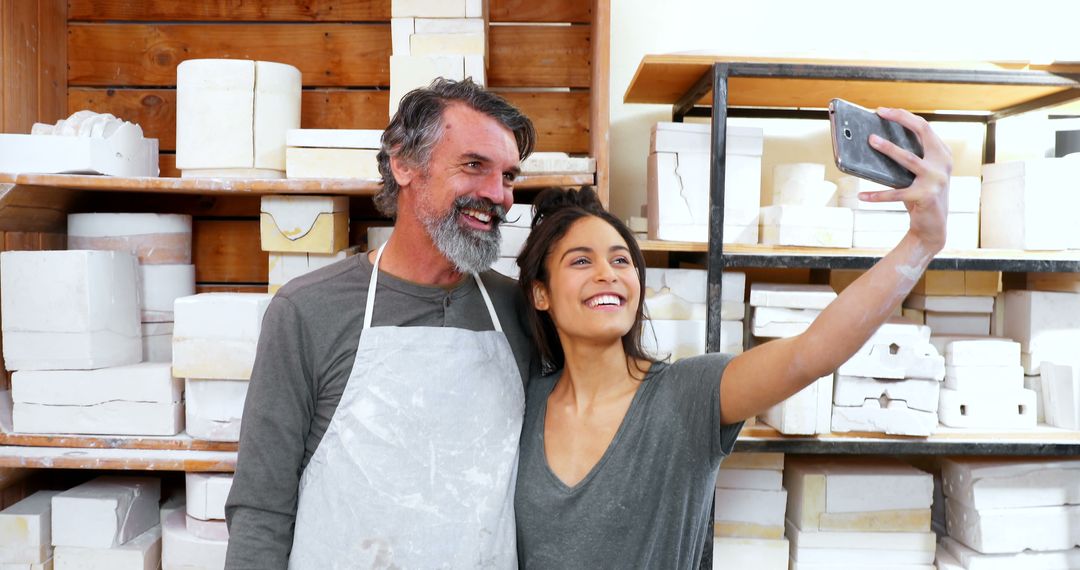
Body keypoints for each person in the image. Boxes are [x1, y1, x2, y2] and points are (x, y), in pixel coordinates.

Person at [513, 107, 950, 568]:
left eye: (622, 261)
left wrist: (921, 242)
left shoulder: (686, 395)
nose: (608, 274)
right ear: (541, 293)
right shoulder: (526, 402)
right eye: (581, 262)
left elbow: (810, 354)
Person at [224, 78, 539, 569]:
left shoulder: (521, 313)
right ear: (403, 163)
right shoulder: (307, 311)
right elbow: (261, 508)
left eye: (509, 177)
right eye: (475, 165)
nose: (498, 196)